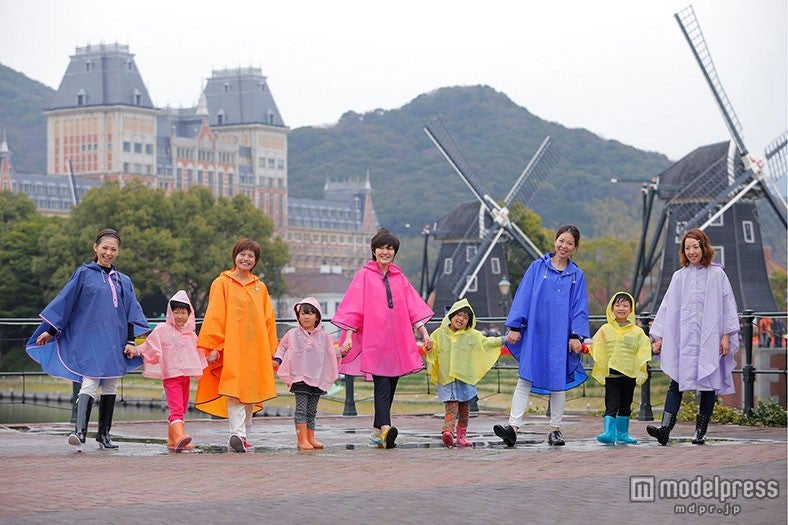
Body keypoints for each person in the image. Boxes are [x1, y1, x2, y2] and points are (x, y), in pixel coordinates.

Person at [26, 228, 149, 450]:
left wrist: (131, 341)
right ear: (95, 248)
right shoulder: (83, 274)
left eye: (113, 249)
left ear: (118, 252)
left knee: (111, 384)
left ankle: (104, 435)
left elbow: (131, 313)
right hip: (91, 339)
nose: (108, 253)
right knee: (90, 380)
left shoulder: (124, 281)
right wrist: (51, 331)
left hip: (116, 340)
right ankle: (80, 432)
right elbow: (66, 303)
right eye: (104, 248)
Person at [332, 228, 434, 449]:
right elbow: (353, 309)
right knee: (382, 385)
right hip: (375, 342)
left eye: (390, 248)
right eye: (381, 247)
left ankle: (377, 431)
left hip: (398, 341)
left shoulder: (400, 278)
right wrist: (349, 336)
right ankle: (387, 428)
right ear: (374, 250)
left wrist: (425, 334)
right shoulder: (364, 276)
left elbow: (412, 309)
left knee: (391, 384)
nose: (385, 252)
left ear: (394, 252)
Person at [493, 224, 590, 447]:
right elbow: (524, 296)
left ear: (575, 247)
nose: (564, 246)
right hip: (535, 333)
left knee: (558, 381)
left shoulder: (577, 275)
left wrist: (576, 335)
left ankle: (555, 429)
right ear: (555, 240)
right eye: (561, 241)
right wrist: (516, 326)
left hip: (560, 335)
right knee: (525, 377)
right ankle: (512, 427)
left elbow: (579, 307)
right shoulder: (537, 268)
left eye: (569, 243)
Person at [646, 228, 740, 446]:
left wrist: (726, 336)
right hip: (684, 338)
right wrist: (659, 336)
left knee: (708, 382)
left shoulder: (717, 275)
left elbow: (728, 305)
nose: (691, 251)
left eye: (695, 247)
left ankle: (700, 431)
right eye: (687, 248)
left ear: (703, 247)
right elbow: (668, 306)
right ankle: (665, 429)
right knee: (676, 382)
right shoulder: (680, 277)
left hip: (709, 337)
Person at [194, 238, 278, 453]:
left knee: (251, 391)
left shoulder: (261, 287)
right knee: (233, 389)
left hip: (256, 349)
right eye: (242, 254)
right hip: (231, 348)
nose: (246, 258)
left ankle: (244, 433)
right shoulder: (221, 283)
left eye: (251, 255)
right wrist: (213, 345)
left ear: (256, 261)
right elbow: (215, 315)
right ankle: (237, 433)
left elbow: (269, 320)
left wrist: (271, 352)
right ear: (235, 256)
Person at [125, 290, 207, 452]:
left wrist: (211, 355)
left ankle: (173, 439)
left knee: (182, 407)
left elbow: (199, 351)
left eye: (183, 312)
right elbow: (149, 345)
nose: (180, 316)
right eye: (176, 312)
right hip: (171, 377)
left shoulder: (190, 333)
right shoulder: (162, 329)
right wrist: (136, 351)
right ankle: (178, 437)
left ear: (189, 314)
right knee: (176, 407)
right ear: (170, 312)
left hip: (185, 377)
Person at [425, 298, 502, 448]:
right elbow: (431, 349)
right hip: (447, 379)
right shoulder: (439, 334)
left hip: (464, 379)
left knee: (465, 410)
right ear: (451, 315)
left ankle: (461, 436)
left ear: (469, 321)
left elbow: (487, 343)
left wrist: (504, 339)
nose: (461, 319)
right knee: (451, 407)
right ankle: (447, 432)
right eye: (459, 315)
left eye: (466, 317)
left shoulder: (472, 335)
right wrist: (428, 347)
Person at [273, 297, 346, 450]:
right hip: (299, 377)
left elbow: (330, 353)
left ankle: (310, 438)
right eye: (303, 314)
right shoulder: (292, 334)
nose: (306, 317)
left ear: (317, 317)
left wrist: (341, 352)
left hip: (317, 378)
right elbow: (282, 347)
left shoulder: (324, 337)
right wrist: (277, 360)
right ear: (298, 316)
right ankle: (301, 440)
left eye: (310, 313)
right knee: (301, 409)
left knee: (312, 410)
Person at [588, 291, 652, 445]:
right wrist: (585, 348)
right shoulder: (605, 329)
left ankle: (623, 434)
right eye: (617, 305)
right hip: (612, 376)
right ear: (611, 308)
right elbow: (596, 345)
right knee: (611, 404)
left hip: (629, 376)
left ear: (631, 310)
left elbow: (644, 347)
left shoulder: (637, 332)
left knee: (626, 404)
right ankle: (608, 433)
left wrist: (654, 347)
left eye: (625, 305)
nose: (621, 308)